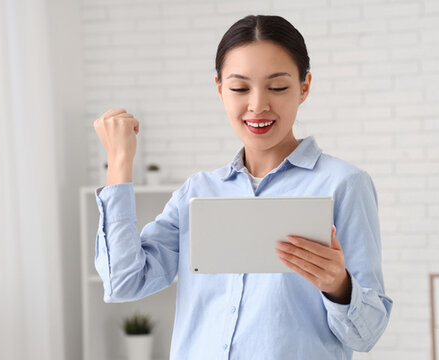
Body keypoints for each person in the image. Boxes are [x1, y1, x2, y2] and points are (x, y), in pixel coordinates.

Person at [92, 15, 393, 359]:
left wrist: (339, 286)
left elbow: (366, 335)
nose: (257, 105)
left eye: (278, 87)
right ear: (220, 89)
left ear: (304, 87)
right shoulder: (198, 192)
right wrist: (119, 163)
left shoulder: (343, 184)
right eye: (239, 88)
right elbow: (124, 283)